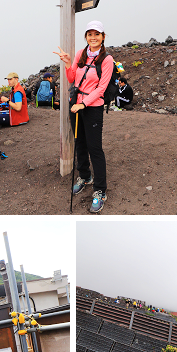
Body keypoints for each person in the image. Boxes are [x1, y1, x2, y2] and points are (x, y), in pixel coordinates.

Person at [55, 20, 114, 213]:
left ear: (103, 37)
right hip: (76, 106)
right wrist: (67, 63)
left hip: (92, 107)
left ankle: (100, 190)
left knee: (95, 148)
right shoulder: (81, 54)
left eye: (97, 34)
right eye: (90, 34)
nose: (93, 37)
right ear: (86, 37)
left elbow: (102, 88)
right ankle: (85, 176)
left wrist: (84, 103)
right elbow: (73, 78)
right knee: (79, 142)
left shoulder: (107, 60)